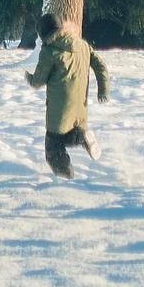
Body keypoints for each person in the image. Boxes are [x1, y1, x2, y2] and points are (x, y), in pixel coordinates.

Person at [25, 10, 110, 177]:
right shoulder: (82, 45)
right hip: (80, 107)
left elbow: (39, 80)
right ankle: (83, 136)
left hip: (60, 109)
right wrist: (103, 89)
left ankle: (65, 178)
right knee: (72, 132)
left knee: (53, 145)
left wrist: (30, 79)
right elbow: (100, 65)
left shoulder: (50, 52)